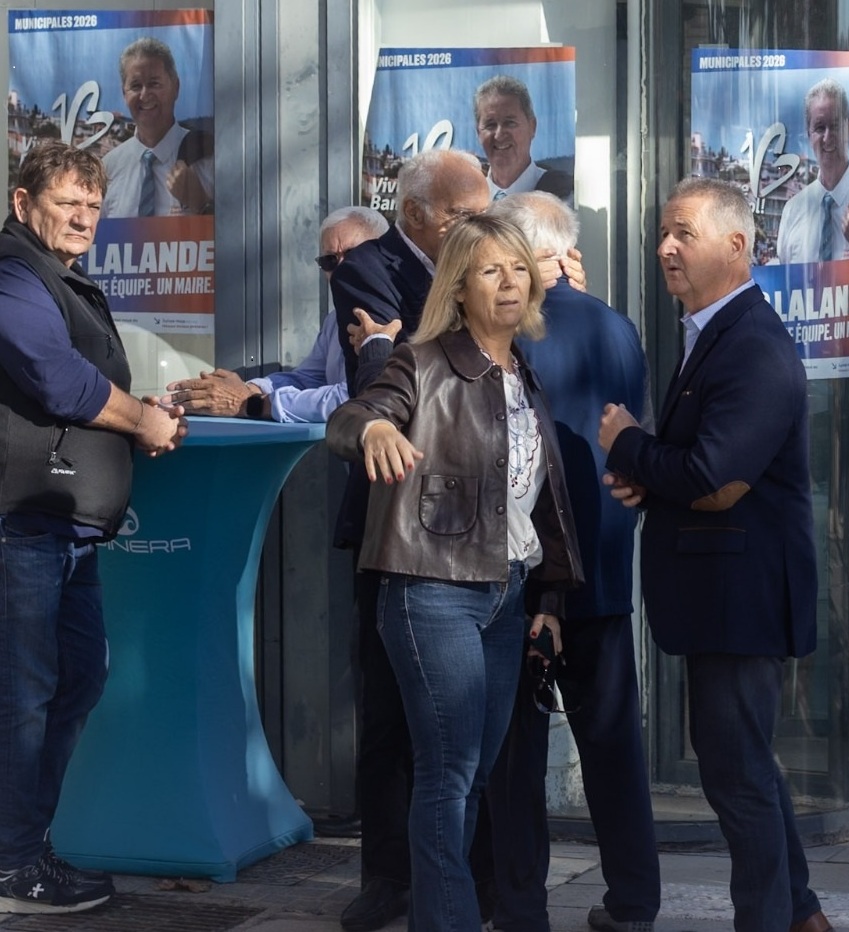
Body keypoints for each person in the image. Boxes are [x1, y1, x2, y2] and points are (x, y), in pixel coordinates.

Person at [329, 149, 584, 931]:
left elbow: (536, 504)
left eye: (518, 269)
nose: (509, 283)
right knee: (448, 775)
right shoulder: (425, 362)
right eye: (489, 272)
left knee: (472, 779)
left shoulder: (523, 375)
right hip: (432, 590)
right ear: (458, 288)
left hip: (506, 596)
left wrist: (548, 601)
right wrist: (373, 428)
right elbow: (354, 415)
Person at [598, 177, 832, 932]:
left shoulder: (751, 344)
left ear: (737, 246)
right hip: (721, 595)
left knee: (737, 775)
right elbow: (704, 470)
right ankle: (799, 913)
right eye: (664, 232)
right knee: (744, 765)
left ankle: (769, 918)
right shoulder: (714, 333)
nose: (666, 247)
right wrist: (651, 480)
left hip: (741, 598)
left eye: (684, 234)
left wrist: (627, 446)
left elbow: (715, 478)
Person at [0, 141, 187, 914]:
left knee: (76, 677)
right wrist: (141, 418)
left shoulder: (62, 277)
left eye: (92, 206)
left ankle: (23, 845)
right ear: (22, 204)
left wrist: (146, 414)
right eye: (66, 203)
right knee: (24, 695)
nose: (82, 218)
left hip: (68, 530)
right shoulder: (13, 273)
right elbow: (56, 378)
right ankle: (12, 864)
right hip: (23, 525)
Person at [328, 148, 493, 932]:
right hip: (394, 522)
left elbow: (487, 360)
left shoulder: (487, 258)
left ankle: (472, 877)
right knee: (387, 710)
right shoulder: (367, 267)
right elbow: (384, 390)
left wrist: (400, 342)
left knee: (471, 720)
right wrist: (402, 348)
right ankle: (386, 877)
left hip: (480, 522)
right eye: (463, 216)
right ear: (417, 213)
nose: (480, 230)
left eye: (486, 214)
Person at [485, 191, 659, 932]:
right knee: (614, 745)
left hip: (528, 572)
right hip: (607, 566)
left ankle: (521, 907)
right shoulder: (617, 325)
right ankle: (634, 900)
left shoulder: (508, 329)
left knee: (516, 755)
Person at [165, 206, 389, 421]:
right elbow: (309, 378)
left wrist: (251, 404)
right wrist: (249, 389)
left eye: (352, 255)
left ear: (381, 255)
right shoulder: (335, 319)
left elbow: (357, 398)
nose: (341, 268)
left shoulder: (395, 317)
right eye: (329, 260)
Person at [101, 38, 213, 218]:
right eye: (136, 86)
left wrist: (202, 205)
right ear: (124, 94)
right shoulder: (108, 169)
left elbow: (240, 226)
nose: (145, 95)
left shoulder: (207, 158)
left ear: (175, 87)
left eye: (154, 84)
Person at [777, 79, 849, 264]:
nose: (827, 137)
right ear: (809, 135)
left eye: (835, 126)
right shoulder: (792, 211)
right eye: (820, 127)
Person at [474, 75, 574, 204]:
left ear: (532, 127)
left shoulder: (563, 199)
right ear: (478, 132)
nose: (499, 135)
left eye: (510, 123)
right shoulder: (465, 201)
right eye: (490, 125)